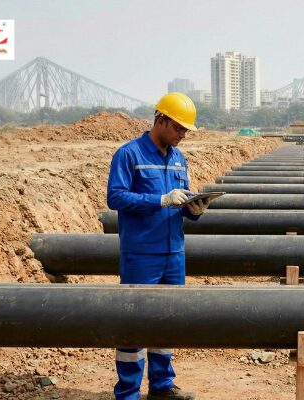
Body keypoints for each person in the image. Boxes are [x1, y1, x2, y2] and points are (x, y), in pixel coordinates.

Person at [106, 92, 209, 400]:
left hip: (173, 252)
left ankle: (162, 387)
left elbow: (181, 200)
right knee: (134, 321)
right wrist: (160, 200)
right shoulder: (129, 155)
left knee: (167, 319)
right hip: (141, 254)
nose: (183, 135)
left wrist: (193, 209)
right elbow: (115, 197)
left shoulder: (178, 158)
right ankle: (128, 393)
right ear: (160, 120)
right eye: (178, 128)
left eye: (186, 131)